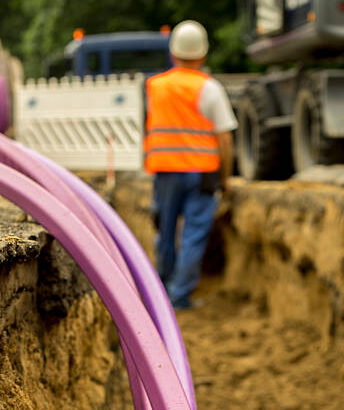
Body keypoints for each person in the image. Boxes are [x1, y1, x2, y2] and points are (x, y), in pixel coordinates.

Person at [144, 20, 237, 309]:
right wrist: (226, 178)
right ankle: (179, 297)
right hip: (202, 173)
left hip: (166, 171)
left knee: (166, 233)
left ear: (173, 53)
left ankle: (161, 294)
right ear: (203, 54)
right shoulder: (210, 88)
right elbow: (224, 139)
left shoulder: (155, 87)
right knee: (194, 235)